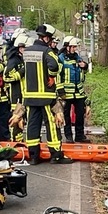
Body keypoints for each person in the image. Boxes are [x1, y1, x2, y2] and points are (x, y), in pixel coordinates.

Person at [21, 24, 73, 165]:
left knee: (32, 126)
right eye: (50, 38)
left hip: (30, 96)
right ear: (45, 38)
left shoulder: (27, 51)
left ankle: (33, 156)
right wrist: (51, 76)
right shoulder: (47, 51)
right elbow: (54, 66)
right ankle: (56, 155)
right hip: (45, 96)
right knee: (52, 125)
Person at [58, 36, 90, 143]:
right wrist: (60, 91)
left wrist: (84, 66)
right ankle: (68, 136)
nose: (75, 49)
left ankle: (79, 135)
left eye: (75, 47)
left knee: (80, 115)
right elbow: (57, 75)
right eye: (73, 47)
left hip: (78, 92)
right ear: (67, 47)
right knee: (66, 116)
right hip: (66, 93)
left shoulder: (78, 57)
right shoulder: (61, 58)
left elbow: (83, 72)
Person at [3, 33, 29, 142]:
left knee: (25, 121)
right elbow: (7, 77)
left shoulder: (25, 59)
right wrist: (22, 72)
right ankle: (16, 142)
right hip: (17, 96)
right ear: (20, 48)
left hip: (26, 95)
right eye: (25, 48)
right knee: (16, 120)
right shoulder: (14, 61)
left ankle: (23, 141)